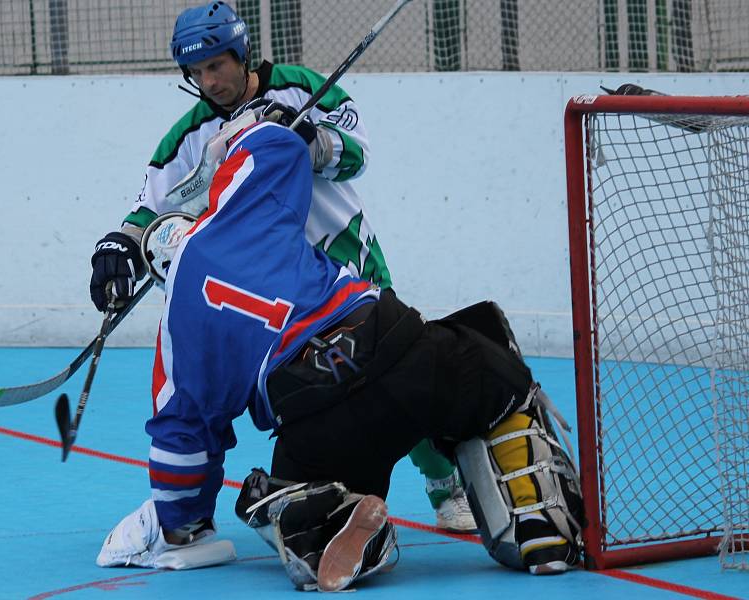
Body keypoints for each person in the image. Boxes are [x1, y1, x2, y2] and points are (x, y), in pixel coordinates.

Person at [95, 116, 583, 591]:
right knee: (488, 365)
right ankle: (539, 525)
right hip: (396, 347)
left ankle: (328, 520)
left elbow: (183, 434)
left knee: (273, 496)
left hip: (319, 414)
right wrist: (237, 135)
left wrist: (184, 522)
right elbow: (274, 146)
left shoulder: (178, 324)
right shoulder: (238, 212)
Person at [88, 1, 474, 532]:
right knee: (313, 390)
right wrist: (117, 245)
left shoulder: (298, 89)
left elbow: (357, 153)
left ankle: (442, 481)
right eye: (196, 73)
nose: (209, 81)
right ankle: (334, 493)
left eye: (216, 66)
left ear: (241, 54)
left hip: (343, 259)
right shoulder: (188, 136)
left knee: (394, 370)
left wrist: (309, 142)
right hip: (279, 288)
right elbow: (151, 210)